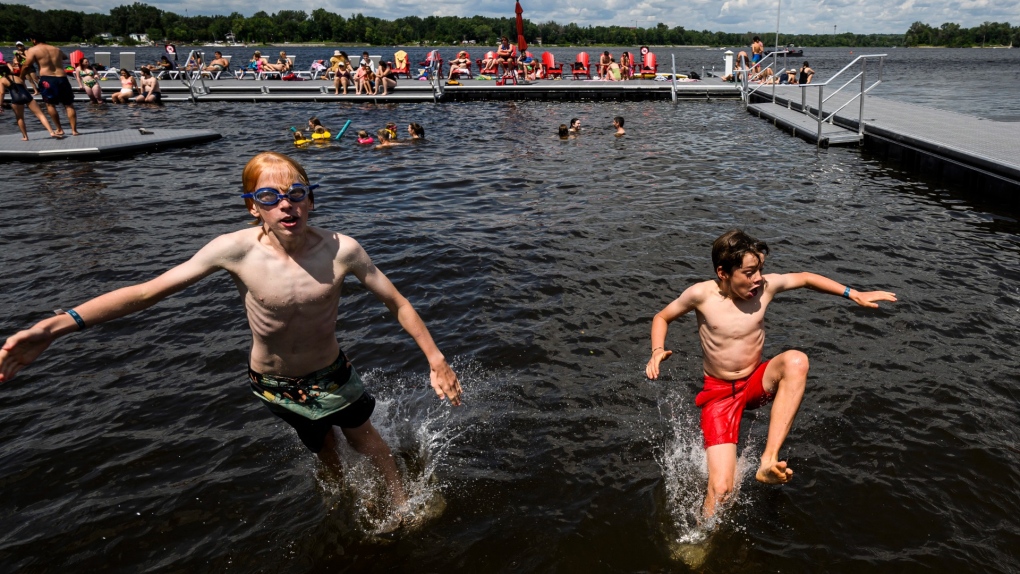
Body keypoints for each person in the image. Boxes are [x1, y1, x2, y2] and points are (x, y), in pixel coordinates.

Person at [0, 151, 463, 522]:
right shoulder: (235, 251)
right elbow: (146, 292)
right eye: (270, 196)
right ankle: (339, 495)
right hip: (274, 384)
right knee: (322, 445)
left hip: (333, 373)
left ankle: (402, 501)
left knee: (364, 437)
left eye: (297, 193)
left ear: (311, 200)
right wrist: (55, 326)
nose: (287, 204)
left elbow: (397, 302)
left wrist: (435, 358)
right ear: (252, 206)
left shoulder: (343, 251)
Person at [645, 230, 896, 518]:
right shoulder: (700, 295)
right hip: (719, 393)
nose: (758, 279)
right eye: (750, 272)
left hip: (755, 382)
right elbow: (661, 316)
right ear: (723, 273)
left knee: (796, 361)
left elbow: (804, 278)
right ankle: (703, 537)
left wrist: (854, 294)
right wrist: (657, 350)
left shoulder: (764, 289)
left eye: (760, 270)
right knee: (723, 489)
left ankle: (768, 460)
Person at [19, 35, 79, 136]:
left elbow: (26, 65)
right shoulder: (56, 49)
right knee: (69, 104)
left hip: (48, 78)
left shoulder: (33, 50)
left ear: (34, 40)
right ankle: (74, 130)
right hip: (62, 78)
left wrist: (21, 77)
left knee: (50, 104)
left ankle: (59, 129)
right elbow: (64, 57)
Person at [0, 63, 61, 140]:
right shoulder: (17, 78)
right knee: (40, 115)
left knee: (20, 118)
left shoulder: (2, 80)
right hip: (27, 96)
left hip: (16, 99)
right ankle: (51, 132)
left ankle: (25, 136)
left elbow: (2, 93)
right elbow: (25, 88)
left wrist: (0, 104)